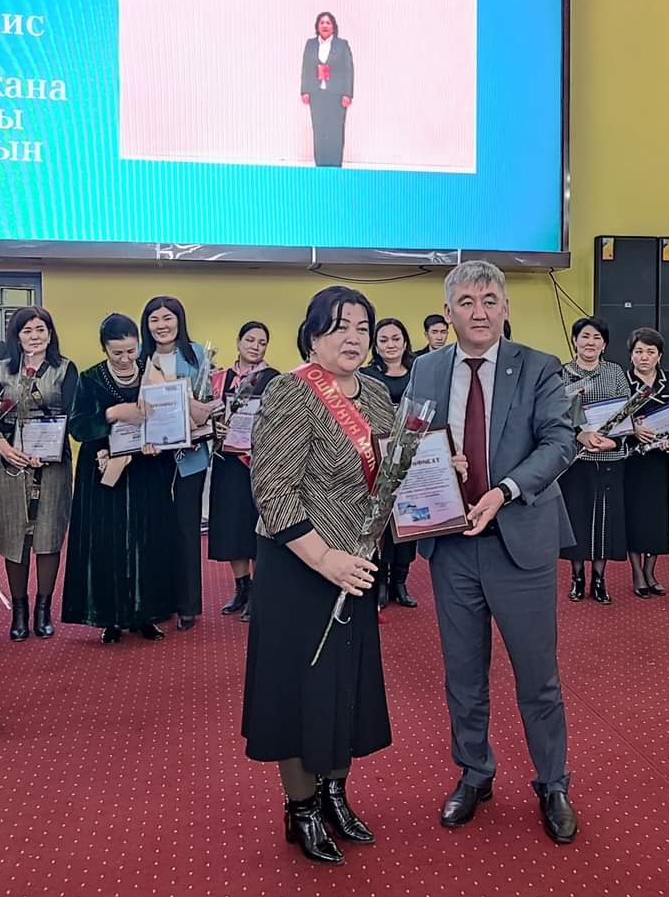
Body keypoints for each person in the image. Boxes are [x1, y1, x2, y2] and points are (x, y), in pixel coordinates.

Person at [409, 260, 579, 845]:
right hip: (452, 545)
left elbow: (560, 442)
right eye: (466, 302)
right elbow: (410, 440)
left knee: (538, 676)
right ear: (448, 311)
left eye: (488, 301)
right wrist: (434, 459)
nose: (478, 312)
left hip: (519, 542)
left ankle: (552, 782)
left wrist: (504, 490)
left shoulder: (539, 366)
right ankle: (475, 772)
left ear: (505, 308)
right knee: (463, 674)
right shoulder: (427, 368)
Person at [243, 286, 395, 866]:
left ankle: (334, 792)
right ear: (311, 336)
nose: (353, 338)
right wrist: (324, 558)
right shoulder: (291, 392)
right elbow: (273, 491)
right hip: (300, 566)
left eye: (362, 327)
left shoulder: (376, 394)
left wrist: (439, 468)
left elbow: (390, 471)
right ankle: (301, 807)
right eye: (338, 327)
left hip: (356, 565)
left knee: (344, 685)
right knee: (299, 690)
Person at [62, 314, 177, 643]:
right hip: (103, 470)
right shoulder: (90, 378)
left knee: (148, 540)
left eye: (131, 350)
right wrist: (112, 414)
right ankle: (109, 617)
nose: (126, 359)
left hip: (146, 468)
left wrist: (163, 441)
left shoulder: (154, 374)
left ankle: (146, 614)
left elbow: (169, 418)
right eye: (117, 353)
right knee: (106, 542)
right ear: (104, 349)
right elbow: (78, 427)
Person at [0, 306, 77, 641]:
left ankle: (43, 609)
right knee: (14, 536)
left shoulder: (65, 369)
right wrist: (1, 445)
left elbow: (72, 413)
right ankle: (19, 612)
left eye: (41, 329)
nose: (35, 336)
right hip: (10, 462)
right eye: (27, 330)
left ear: (50, 334)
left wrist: (47, 448)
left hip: (52, 463)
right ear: (16, 336)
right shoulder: (1, 370)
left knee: (49, 534)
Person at [139, 296, 221, 631]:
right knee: (155, 529)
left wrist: (201, 416)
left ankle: (188, 605)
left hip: (191, 457)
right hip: (151, 457)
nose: (161, 325)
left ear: (179, 320)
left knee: (187, 529)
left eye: (167, 318)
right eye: (154, 319)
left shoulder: (198, 354)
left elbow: (210, 399)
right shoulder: (140, 357)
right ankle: (158, 601)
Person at [208, 321, 278, 621]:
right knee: (232, 527)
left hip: (260, 463)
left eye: (262, 342)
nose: (255, 346)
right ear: (238, 342)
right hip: (228, 463)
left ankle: (259, 593)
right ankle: (242, 589)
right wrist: (215, 427)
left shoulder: (273, 379)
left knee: (257, 527)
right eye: (250, 340)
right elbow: (206, 416)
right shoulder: (219, 378)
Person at [558, 316, 628, 604]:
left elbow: (627, 411)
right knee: (577, 518)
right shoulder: (562, 373)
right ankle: (577, 577)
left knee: (606, 518)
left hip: (610, 454)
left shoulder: (615, 372)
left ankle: (599, 578)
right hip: (576, 458)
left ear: (604, 344)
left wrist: (615, 440)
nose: (590, 342)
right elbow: (555, 415)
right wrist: (580, 435)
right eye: (585, 336)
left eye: (597, 337)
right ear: (575, 341)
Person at [362, 317, 418, 610]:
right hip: (378, 459)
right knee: (382, 521)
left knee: (408, 518)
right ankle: (381, 582)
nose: (390, 345)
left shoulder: (420, 371)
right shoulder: (366, 376)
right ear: (375, 345)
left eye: (396, 339)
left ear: (405, 341)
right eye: (383, 340)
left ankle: (400, 581)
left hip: (413, 459)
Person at [623, 328, 669, 598]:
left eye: (650, 351)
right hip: (633, 460)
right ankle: (637, 573)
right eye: (639, 351)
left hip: (663, 459)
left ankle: (651, 571)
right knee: (635, 516)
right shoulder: (622, 382)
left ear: (660, 355)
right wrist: (632, 429)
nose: (644, 357)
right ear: (631, 355)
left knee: (659, 517)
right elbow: (611, 419)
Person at [300, 10, 353, 168]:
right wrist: (304, 90)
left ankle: (335, 164)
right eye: (322, 22)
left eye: (328, 23)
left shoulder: (342, 45)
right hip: (317, 94)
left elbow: (348, 70)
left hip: (336, 96)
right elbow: (306, 68)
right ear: (317, 26)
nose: (325, 25)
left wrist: (348, 93)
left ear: (333, 27)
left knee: (335, 129)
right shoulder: (310, 44)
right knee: (319, 128)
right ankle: (320, 164)